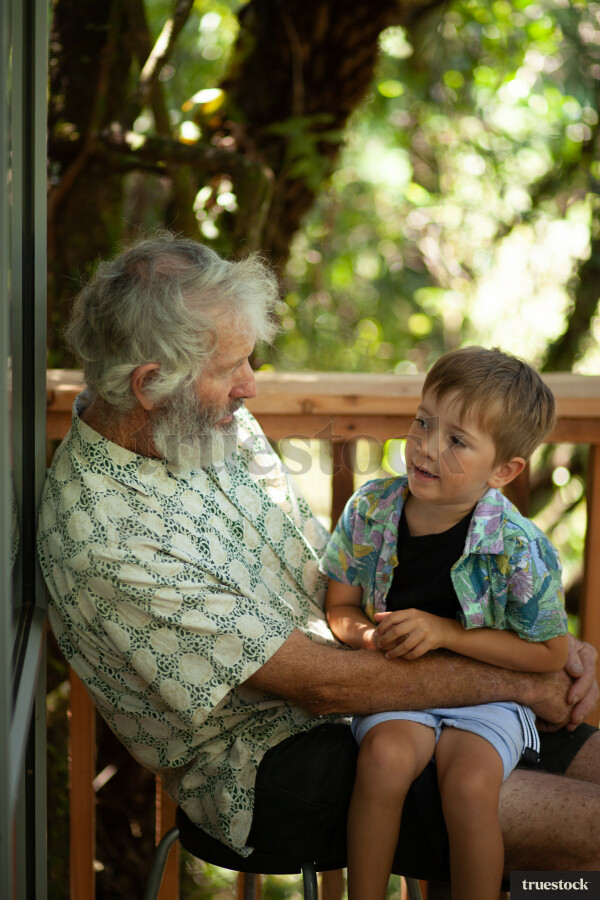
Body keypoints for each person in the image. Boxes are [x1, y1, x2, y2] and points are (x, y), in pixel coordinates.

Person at [37, 233, 600, 886]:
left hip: (371, 680)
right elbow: (319, 685)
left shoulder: (194, 423)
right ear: (149, 384)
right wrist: (521, 680)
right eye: (233, 368)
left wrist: (527, 643)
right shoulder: (108, 535)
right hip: (273, 764)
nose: (252, 386)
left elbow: (339, 581)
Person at [320, 347, 570, 900]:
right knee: (383, 760)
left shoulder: (517, 546)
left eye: (457, 440)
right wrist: (365, 637)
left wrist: (448, 634)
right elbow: (340, 605)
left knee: (471, 784)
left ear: (503, 470)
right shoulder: (371, 509)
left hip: (486, 695)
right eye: (423, 422)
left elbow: (551, 653)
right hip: (398, 684)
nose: (427, 447)